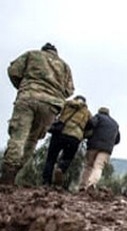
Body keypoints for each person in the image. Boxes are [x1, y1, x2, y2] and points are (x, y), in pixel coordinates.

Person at [1, 43, 74, 185]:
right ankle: (15, 172)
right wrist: (55, 95)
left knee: (18, 136)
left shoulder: (32, 54)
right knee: (32, 139)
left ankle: (7, 174)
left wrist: (23, 86)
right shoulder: (65, 66)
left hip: (28, 97)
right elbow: (69, 90)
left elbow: (13, 71)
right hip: (50, 106)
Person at [41, 95, 91, 187]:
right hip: (75, 138)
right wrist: (83, 135)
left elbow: (54, 113)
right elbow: (90, 128)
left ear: (75, 99)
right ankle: (61, 169)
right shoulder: (87, 113)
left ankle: (46, 182)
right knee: (67, 158)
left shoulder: (66, 104)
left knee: (51, 158)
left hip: (60, 133)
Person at [79, 107, 120, 190]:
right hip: (107, 149)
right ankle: (92, 184)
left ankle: (83, 186)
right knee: (99, 166)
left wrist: (86, 134)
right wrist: (109, 143)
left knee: (88, 166)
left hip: (93, 145)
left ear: (99, 112)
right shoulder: (115, 123)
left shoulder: (98, 117)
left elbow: (90, 124)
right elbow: (117, 139)